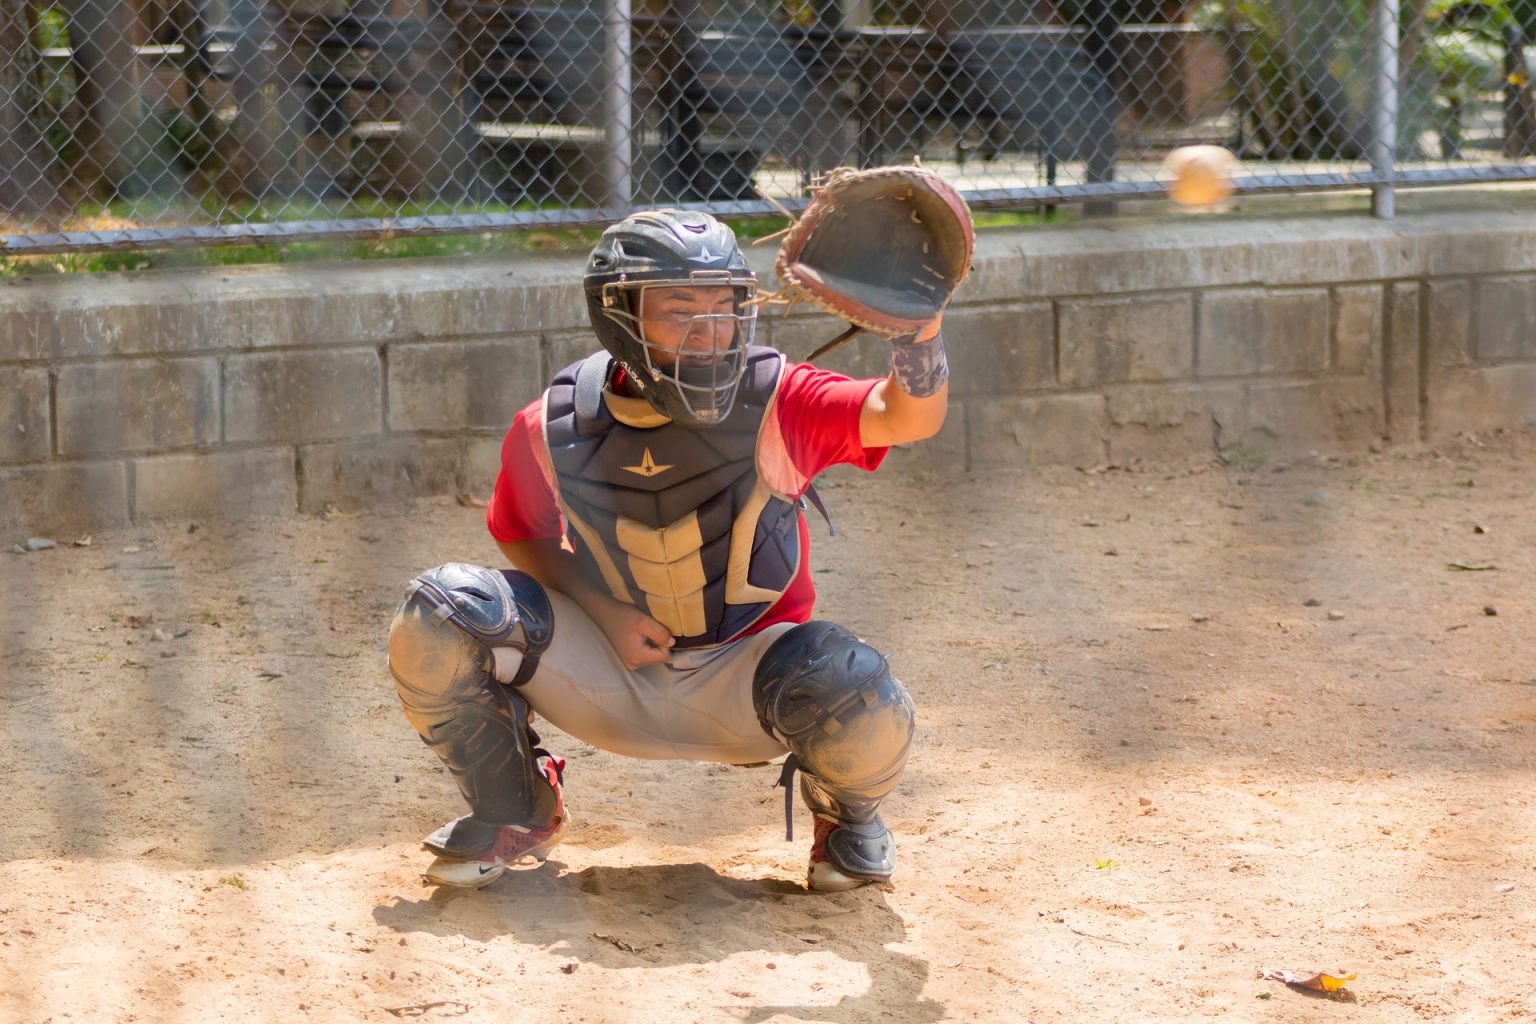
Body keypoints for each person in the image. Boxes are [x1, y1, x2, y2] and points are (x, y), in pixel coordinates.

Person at [387, 208, 950, 892]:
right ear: (619, 314)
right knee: (442, 612)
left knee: (854, 684)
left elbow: (906, 416)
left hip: (750, 685)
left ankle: (846, 822)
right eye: (680, 309)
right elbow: (518, 529)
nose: (710, 331)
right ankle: (516, 806)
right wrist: (605, 613)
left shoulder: (780, 399)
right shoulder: (555, 421)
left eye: (724, 307)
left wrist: (919, 334)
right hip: (607, 676)